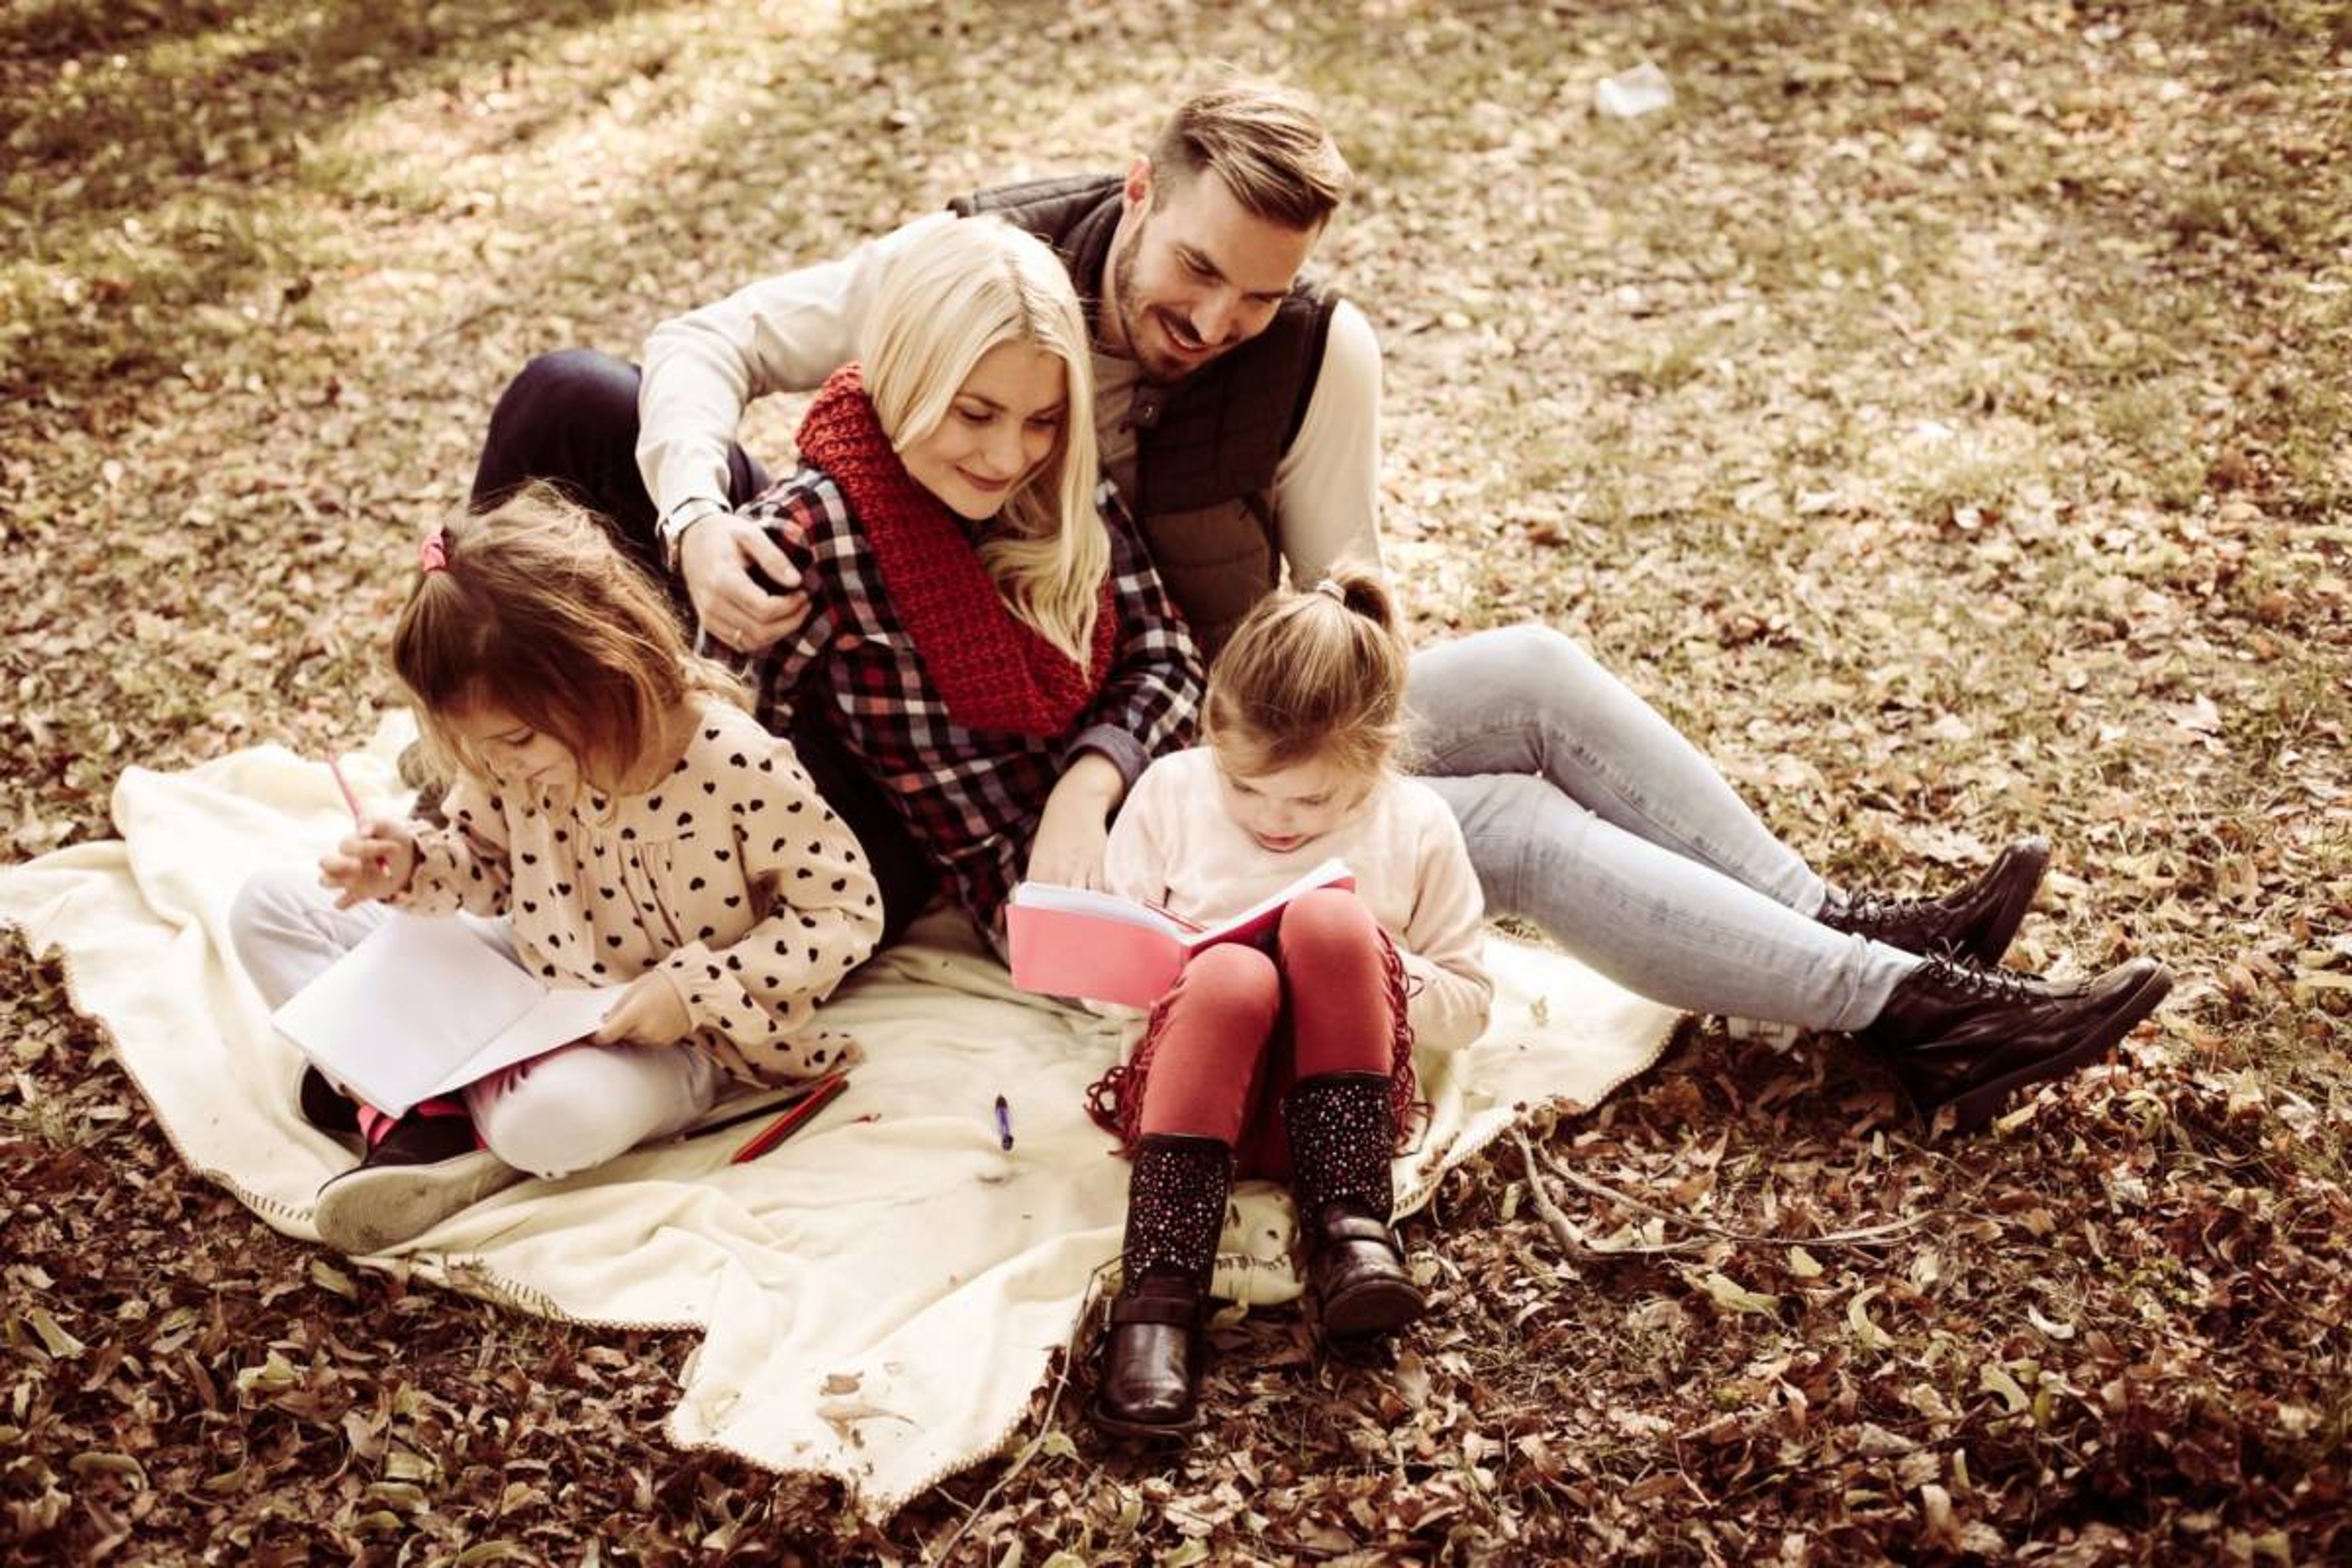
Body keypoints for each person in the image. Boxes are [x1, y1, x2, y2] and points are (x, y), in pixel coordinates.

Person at [466, 80, 2172, 1134]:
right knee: (1491, 826)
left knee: (1539, 685)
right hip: (1059, 764)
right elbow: (694, 361)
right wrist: (694, 528)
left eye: (1258, 291)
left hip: (1202, 696)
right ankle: (1905, 1011)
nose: (1215, 315)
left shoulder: (1273, 373)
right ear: (1137, 201)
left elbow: (1336, 591)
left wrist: (1313, 732)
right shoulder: (967, 288)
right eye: (1193, 268)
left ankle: (1864, 933)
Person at [230, 487, 883, 1254]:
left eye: (518, 740)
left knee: (550, 1125)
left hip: (673, 1036)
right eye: (486, 749)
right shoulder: (513, 762)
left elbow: (843, 912)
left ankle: (397, 1089)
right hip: (528, 978)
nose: (503, 765)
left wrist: (693, 988)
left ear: (601, 670)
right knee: (265, 906)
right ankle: (428, 1112)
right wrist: (409, 865)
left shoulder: (732, 762)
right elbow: (486, 871)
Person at [1079, 568, 1490, 1438]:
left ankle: (1351, 1232)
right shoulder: (1172, 794)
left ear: (1373, 761)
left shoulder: (1414, 825)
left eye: (1312, 800)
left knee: (1331, 923)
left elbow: (1471, 1005)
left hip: (1335, 1115)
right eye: (1247, 789)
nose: (1276, 818)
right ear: (1213, 740)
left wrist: (1372, 961)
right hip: (1194, 1110)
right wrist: (1180, 960)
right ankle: (1159, 1295)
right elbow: (1103, 989)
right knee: (1234, 977)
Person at [726, 216, 1200, 942]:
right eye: (975, 413)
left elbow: (1166, 656)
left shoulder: (1061, 484)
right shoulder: (810, 536)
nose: (1008, 456)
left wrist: (1090, 781)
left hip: (1154, 796)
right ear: (910, 375)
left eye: (1042, 419)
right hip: (1038, 898)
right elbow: (732, 750)